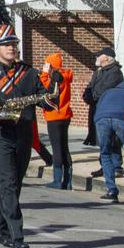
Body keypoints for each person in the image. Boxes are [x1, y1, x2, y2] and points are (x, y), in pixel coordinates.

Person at [0, 0, 54, 248]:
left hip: (22, 133)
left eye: (14, 44)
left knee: (15, 184)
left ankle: (2, 229)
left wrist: (51, 94)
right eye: (7, 45)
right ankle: (18, 236)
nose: (12, 48)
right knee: (7, 182)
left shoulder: (28, 72)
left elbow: (44, 98)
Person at [40, 53, 74, 189]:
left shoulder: (54, 77)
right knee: (64, 147)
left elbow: (44, 86)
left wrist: (44, 72)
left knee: (57, 148)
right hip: (65, 115)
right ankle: (68, 180)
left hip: (54, 115)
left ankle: (57, 180)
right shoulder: (66, 76)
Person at [83, 47, 124, 156]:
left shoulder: (115, 72)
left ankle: (115, 166)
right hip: (96, 108)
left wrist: (92, 96)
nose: (96, 57)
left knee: (111, 140)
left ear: (106, 58)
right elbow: (90, 87)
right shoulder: (98, 72)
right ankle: (106, 165)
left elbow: (106, 90)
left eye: (99, 55)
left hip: (109, 111)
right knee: (102, 140)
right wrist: (87, 96)